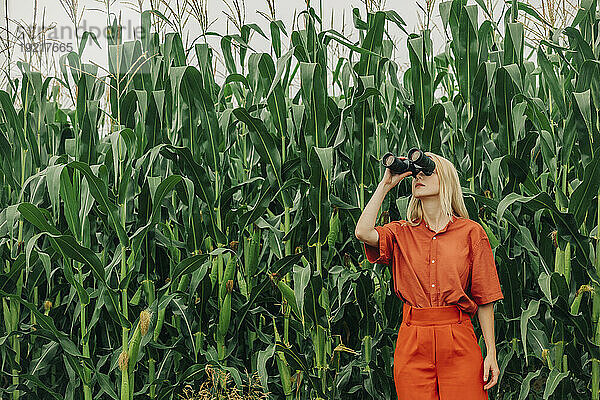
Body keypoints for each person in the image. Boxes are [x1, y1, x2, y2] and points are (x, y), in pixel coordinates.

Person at [354, 152, 503, 400]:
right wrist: (386, 184)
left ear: (446, 181)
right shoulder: (400, 233)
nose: (419, 177)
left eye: (427, 171)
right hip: (413, 339)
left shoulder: (471, 232)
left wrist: (491, 352)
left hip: (459, 337)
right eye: (416, 174)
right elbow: (363, 231)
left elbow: (485, 297)